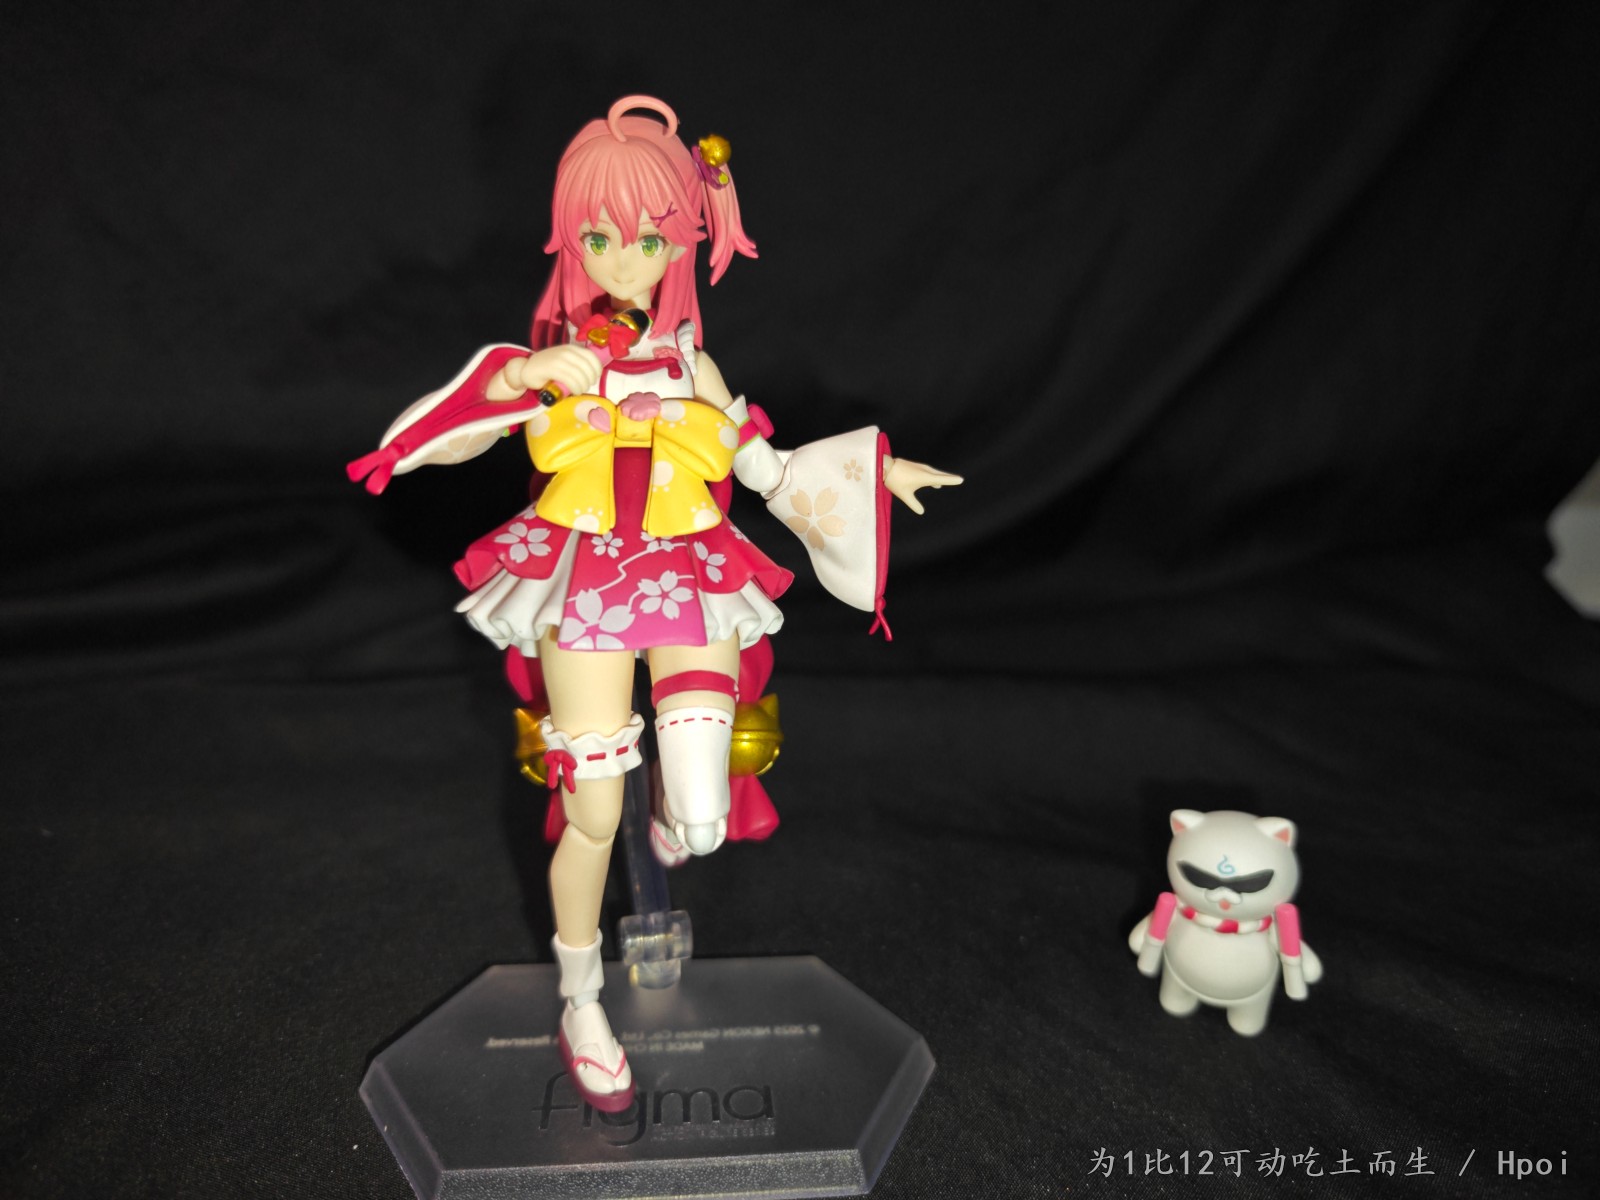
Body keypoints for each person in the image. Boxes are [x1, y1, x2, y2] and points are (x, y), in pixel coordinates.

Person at [350, 95, 959, 1112]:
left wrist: (876, 474)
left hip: (686, 574)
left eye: (647, 237)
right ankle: (580, 997)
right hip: (583, 579)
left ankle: (676, 826)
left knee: (705, 815)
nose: (622, 261)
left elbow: (766, 469)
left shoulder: (693, 365)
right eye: (598, 238)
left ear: (683, 239)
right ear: (571, 239)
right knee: (592, 812)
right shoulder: (555, 360)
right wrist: (523, 377)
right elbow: (424, 439)